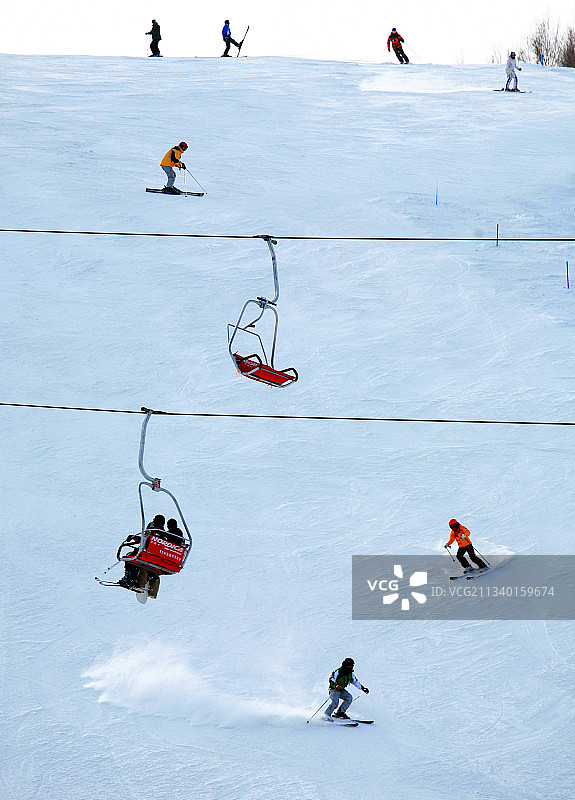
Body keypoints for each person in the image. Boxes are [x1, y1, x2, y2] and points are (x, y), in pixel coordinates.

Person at [119, 514, 165, 598]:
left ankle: (130, 579)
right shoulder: (163, 535)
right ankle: (151, 591)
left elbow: (145, 541)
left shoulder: (156, 532)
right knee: (151, 571)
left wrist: (134, 538)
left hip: (148, 554)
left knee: (130, 558)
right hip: (156, 558)